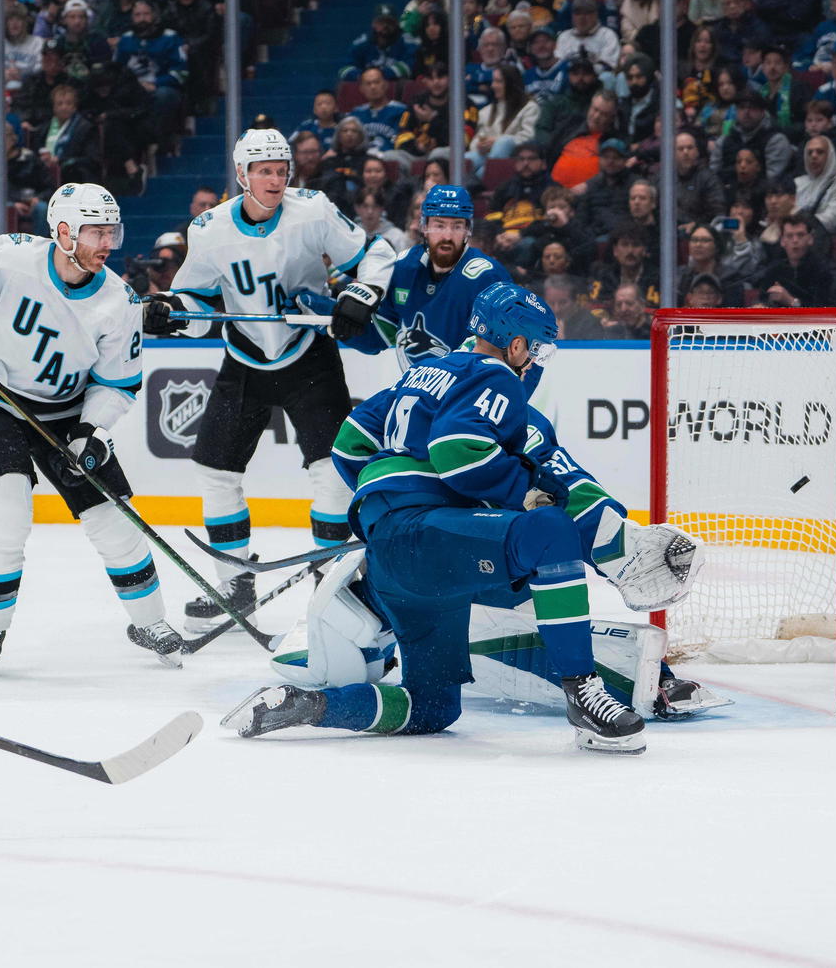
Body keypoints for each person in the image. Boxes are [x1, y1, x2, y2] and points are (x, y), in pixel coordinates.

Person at [223, 283, 689, 748]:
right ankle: (582, 691)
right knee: (550, 533)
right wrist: (523, 492)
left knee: (433, 707)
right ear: (517, 343)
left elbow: (348, 444)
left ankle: (311, 705)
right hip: (420, 535)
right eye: (537, 349)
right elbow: (457, 452)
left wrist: (387, 497)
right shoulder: (498, 376)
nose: (536, 363)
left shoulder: (423, 373)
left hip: (403, 557)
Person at [0, 183, 183, 674]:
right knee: (4, 509)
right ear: (64, 230)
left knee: (114, 519)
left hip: (67, 413)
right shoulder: (9, 256)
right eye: (96, 231)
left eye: (110, 231)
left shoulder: (119, 301)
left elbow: (117, 384)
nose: (107, 243)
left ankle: (150, 621)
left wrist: (92, 431)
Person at [143, 129, 397, 634]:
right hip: (245, 358)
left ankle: (335, 588)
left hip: (309, 357)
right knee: (216, 472)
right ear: (241, 176)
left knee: (331, 472)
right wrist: (171, 314)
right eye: (264, 170)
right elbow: (194, 303)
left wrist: (362, 293)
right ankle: (234, 586)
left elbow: (375, 251)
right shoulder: (210, 229)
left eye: (281, 170)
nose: (276, 179)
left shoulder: (314, 210)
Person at [303, 186, 512, 371]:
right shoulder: (404, 267)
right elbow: (378, 336)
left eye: (457, 226)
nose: (448, 236)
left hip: (466, 399)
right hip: (417, 395)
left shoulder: (488, 277)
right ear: (423, 226)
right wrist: (332, 316)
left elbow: (510, 352)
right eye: (439, 225)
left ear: (468, 229)